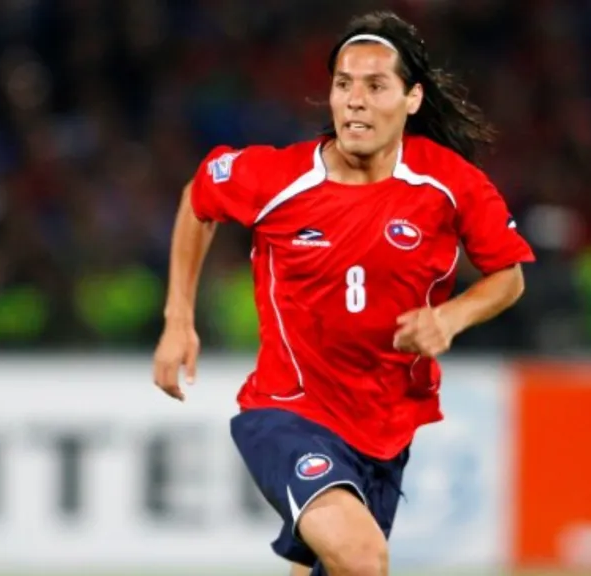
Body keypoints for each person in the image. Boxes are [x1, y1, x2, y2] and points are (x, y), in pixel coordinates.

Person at [152, 10, 535, 576]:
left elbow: (510, 275)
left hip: (385, 427)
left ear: (411, 99)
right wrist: (177, 318)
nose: (354, 99)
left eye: (375, 85)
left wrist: (450, 318)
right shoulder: (278, 179)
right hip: (288, 410)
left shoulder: (448, 184)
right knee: (362, 557)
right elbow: (198, 199)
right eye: (342, 84)